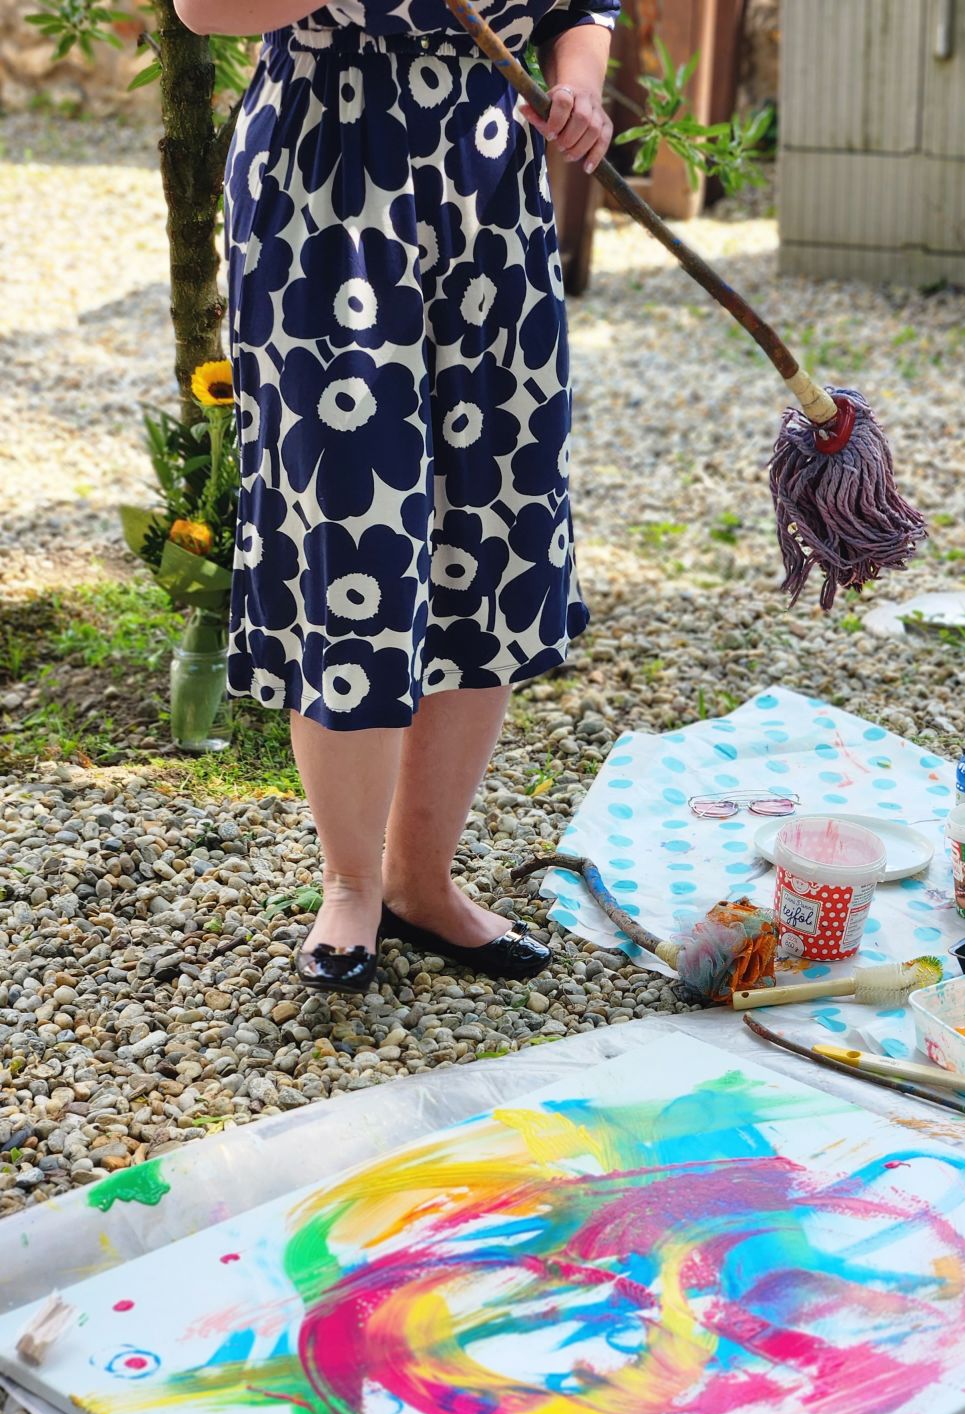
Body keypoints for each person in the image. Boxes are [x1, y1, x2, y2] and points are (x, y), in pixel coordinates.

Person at [176, 0, 618, 994]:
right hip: (324, 180)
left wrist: (579, 83)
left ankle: (421, 881)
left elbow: (583, 4)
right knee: (352, 527)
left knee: (492, 520)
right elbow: (201, 8)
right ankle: (350, 884)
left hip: (488, 185)